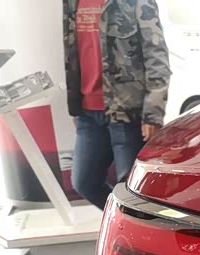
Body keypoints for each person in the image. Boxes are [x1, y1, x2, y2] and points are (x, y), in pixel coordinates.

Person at [62, 0, 171, 209]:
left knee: (133, 192)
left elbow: (156, 55)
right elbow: (74, 51)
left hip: (127, 113)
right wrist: (75, 104)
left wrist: (153, 113)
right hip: (87, 113)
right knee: (85, 182)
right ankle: (120, 221)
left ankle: (135, 226)